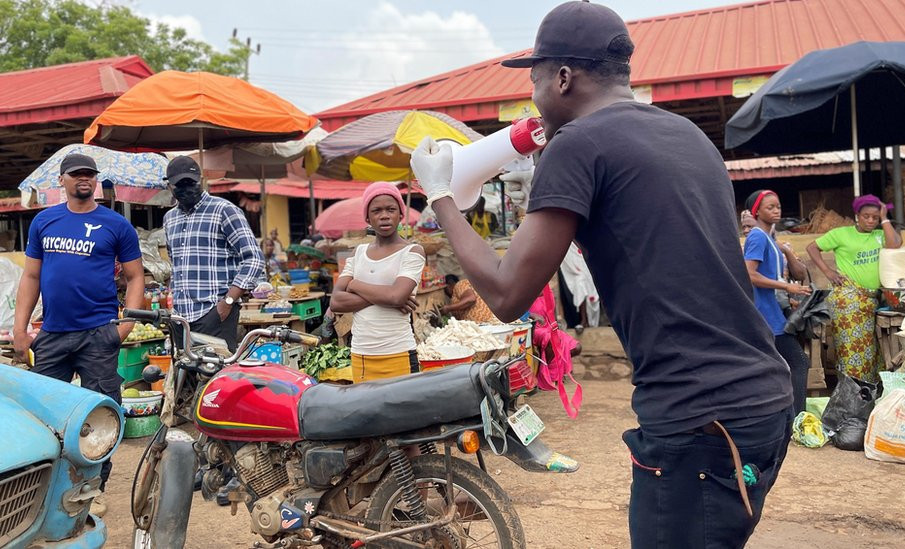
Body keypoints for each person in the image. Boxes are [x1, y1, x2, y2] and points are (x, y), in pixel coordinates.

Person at [409, 3, 793, 547]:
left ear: (563, 78)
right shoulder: (687, 136)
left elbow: (505, 293)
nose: (533, 97)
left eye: (536, 80)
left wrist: (441, 195)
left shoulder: (579, 143)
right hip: (761, 401)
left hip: (699, 420)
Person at [13, 153, 145, 517]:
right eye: (76, 175)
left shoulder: (116, 225)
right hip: (52, 335)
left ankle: (93, 488)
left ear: (96, 180)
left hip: (98, 335)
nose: (83, 180)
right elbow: (31, 278)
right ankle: (41, 488)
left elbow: (136, 277)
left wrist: (126, 325)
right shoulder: (44, 221)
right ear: (63, 181)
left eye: (89, 174)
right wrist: (20, 329)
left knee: (101, 412)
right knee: (42, 413)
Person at [163, 156, 265, 352]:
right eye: (180, 185)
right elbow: (175, 264)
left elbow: (254, 258)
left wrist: (228, 301)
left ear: (201, 181)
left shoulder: (224, 210)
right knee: (186, 377)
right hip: (180, 316)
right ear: (169, 186)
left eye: (190, 183)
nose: (186, 189)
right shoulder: (170, 219)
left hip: (214, 312)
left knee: (215, 376)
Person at [330, 181, 425, 382]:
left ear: (401, 214)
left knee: (402, 412)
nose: (384, 215)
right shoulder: (359, 253)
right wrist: (388, 297)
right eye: (377, 210)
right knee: (365, 412)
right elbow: (336, 301)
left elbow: (396, 295)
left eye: (391, 209)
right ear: (367, 217)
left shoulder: (412, 251)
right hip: (361, 355)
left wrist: (354, 285)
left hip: (398, 353)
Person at [806, 194, 902, 383]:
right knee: (852, 350)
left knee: (870, 350)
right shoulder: (841, 234)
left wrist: (885, 218)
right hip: (848, 299)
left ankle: (867, 392)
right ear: (857, 215)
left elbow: (895, 244)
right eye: (866, 216)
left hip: (870, 300)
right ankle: (853, 392)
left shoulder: (880, 235)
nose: (870, 221)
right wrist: (828, 271)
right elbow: (812, 248)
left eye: (875, 217)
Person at [743, 190, 813, 417]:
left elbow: (798, 272)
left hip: (772, 311)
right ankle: (796, 419)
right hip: (764, 314)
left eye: (778, 207)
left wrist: (786, 251)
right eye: (769, 207)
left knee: (774, 365)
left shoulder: (770, 239)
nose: (776, 211)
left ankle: (783, 416)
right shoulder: (757, 236)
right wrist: (786, 287)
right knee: (799, 361)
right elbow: (749, 275)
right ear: (757, 212)